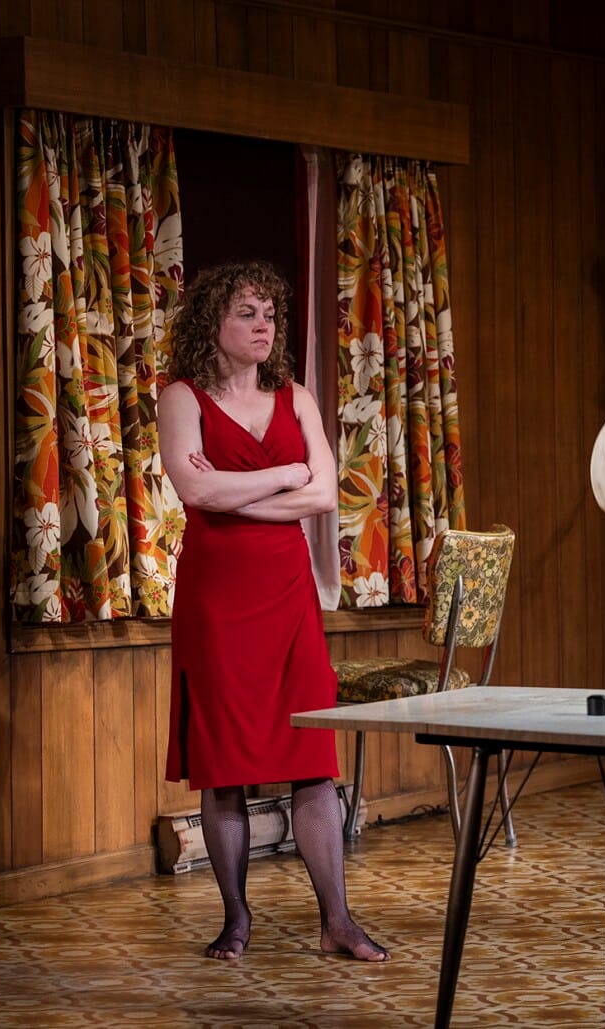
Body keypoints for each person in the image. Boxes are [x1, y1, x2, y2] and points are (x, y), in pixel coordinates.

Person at [160, 260, 388, 963]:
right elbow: (193, 490)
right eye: (247, 314)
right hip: (217, 595)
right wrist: (284, 475)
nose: (263, 326)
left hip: (287, 593)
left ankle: (338, 921)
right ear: (212, 326)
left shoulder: (297, 397)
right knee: (224, 765)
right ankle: (235, 920)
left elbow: (323, 496)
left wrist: (243, 489)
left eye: (269, 315)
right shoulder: (182, 396)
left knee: (311, 760)